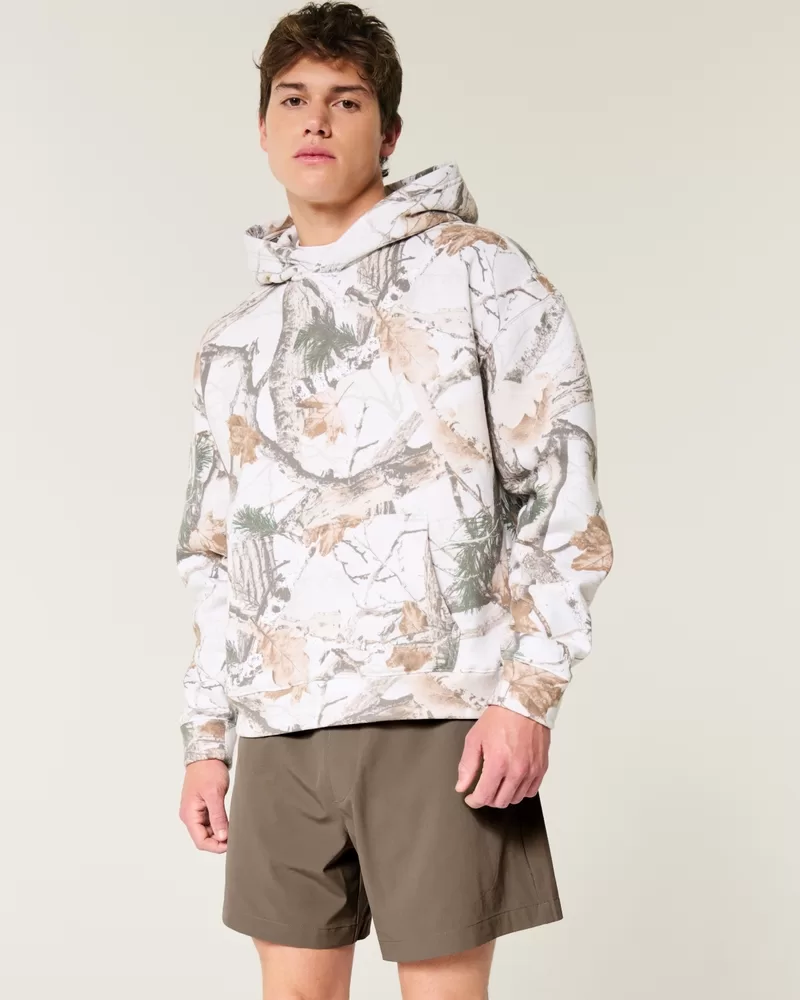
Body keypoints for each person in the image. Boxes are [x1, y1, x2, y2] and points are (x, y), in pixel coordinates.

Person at [175, 3, 614, 997]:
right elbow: (215, 547)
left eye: (346, 100)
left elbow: (560, 488)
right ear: (262, 127)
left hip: (439, 710)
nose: (315, 120)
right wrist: (206, 739)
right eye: (293, 99)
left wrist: (526, 694)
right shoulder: (236, 337)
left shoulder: (480, 273)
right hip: (279, 724)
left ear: (389, 132)